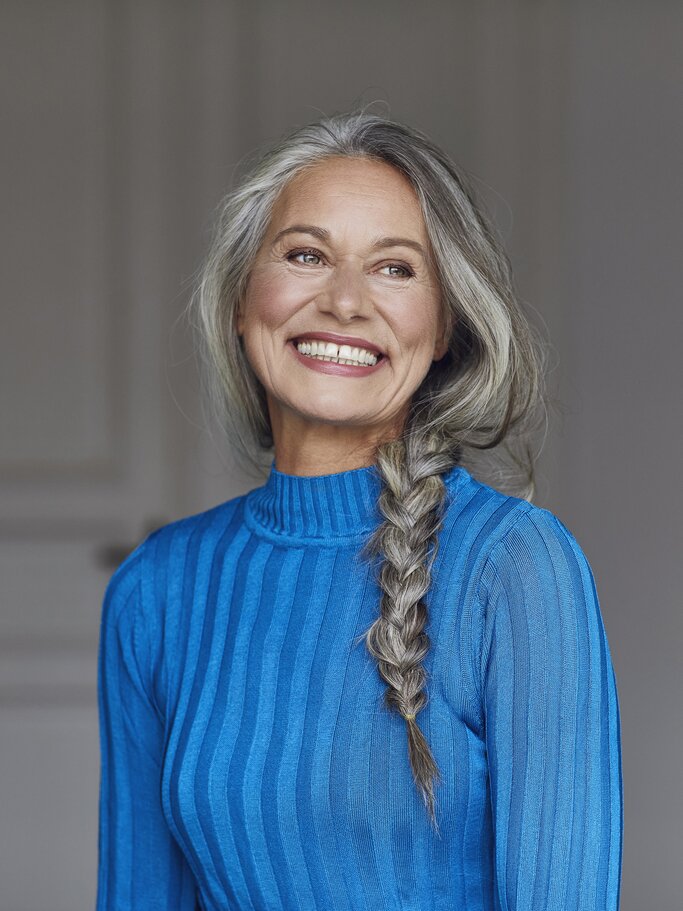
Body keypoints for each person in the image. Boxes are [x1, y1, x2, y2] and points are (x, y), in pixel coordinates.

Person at [96, 109, 623, 910]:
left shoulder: (515, 567)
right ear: (243, 300)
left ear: (444, 325)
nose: (344, 301)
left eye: (394, 268)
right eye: (306, 254)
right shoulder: (156, 589)